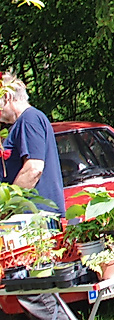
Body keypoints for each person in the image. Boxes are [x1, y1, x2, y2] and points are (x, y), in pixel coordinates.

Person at [1, 72, 65, 320]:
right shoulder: (20, 125)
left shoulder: (29, 119)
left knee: (33, 289)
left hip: (32, 220)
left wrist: (7, 205)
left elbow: (34, 167)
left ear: (6, 97)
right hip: (27, 221)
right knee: (26, 289)